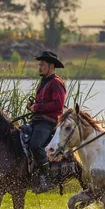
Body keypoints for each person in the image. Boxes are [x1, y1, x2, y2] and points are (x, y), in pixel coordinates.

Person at [27, 51, 66, 194]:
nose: (39, 67)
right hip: (37, 121)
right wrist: (32, 106)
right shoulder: (44, 82)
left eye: (42, 64)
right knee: (19, 135)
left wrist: (36, 107)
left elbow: (58, 105)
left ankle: (46, 179)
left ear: (50, 66)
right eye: (39, 64)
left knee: (35, 145)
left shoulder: (56, 83)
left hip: (49, 123)